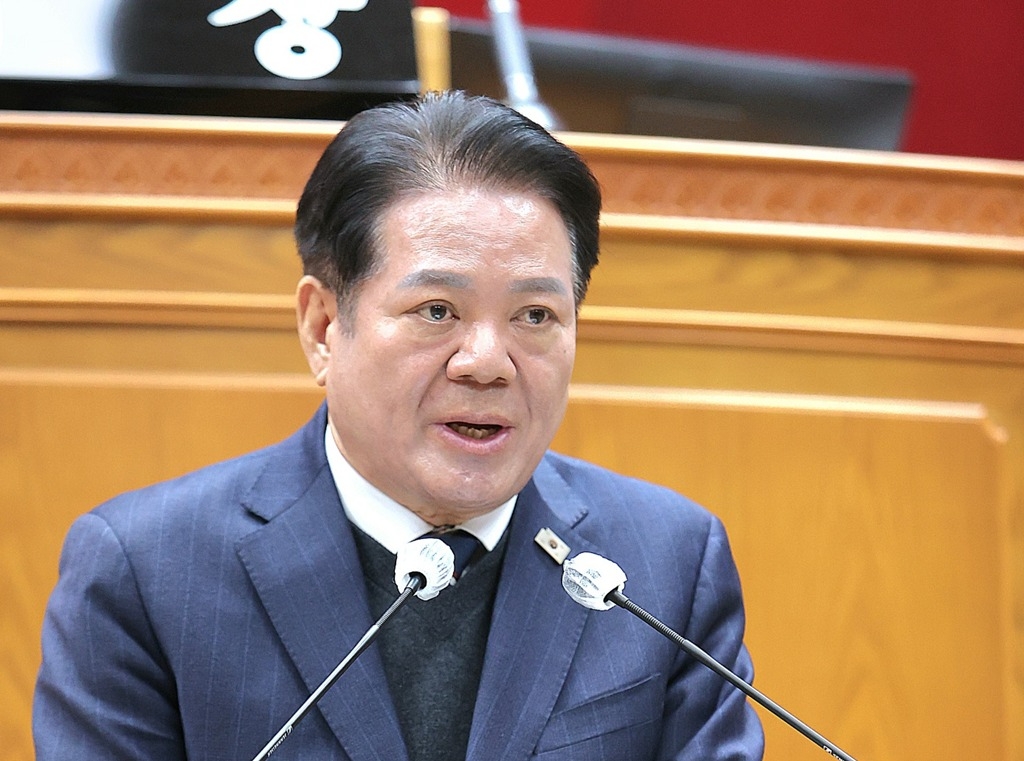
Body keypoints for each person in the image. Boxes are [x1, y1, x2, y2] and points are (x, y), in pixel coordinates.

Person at [33, 91, 764, 760]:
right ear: (323, 327)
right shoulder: (145, 575)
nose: (488, 363)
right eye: (437, 311)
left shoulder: (666, 564)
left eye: (535, 315)